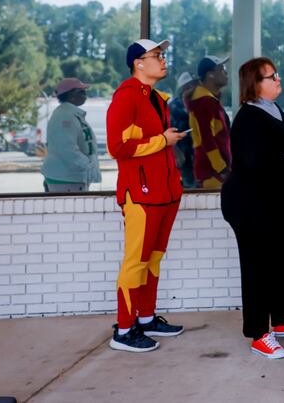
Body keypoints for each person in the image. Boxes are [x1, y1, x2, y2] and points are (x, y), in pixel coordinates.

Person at [222, 57, 284, 359]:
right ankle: (259, 332)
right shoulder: (248, 117)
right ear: (254, 84)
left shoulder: (274, 111)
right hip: (251, 205)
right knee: (257, 267)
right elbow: (254, 165)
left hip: (278, 203)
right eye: (271, 76)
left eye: (277, 74)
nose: (278, 79)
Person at [106, 38, 186, 352]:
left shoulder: (155, 98)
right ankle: (124, 330)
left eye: (163, 54)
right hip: (140, 194)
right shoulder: (126, 97)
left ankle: (146, 318)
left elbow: (150, 141)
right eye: (156, 55)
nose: (163, 60)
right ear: (139, 62)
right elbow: (119, 147)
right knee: (136, 262)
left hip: (164, 192)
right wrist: (162, 141)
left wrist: (166, 141)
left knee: (152, 259)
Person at [41, 77, 101, 193]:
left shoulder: (70, 114)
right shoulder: (64, 116)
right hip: (64, 178)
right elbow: (66, 149)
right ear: (70, 95)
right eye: (81, 92)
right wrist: (87, 166)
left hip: (71, 177)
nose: (85, 95)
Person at [189, 55, 231, 189]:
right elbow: (207, 139)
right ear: (210, 75)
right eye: (222, 68)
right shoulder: (204, 102)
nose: (226, 73)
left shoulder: (208, 100)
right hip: (213, 174)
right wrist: (222, 169)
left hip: (213, 173)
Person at [170, 71, 197, 188]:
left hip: (196, 156)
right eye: (193, 85)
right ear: (186, 87)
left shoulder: (198, 104)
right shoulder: (174, 107)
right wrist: (175, 150)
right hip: (183, 156)